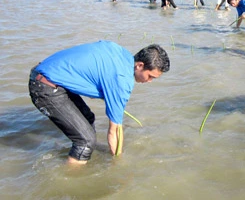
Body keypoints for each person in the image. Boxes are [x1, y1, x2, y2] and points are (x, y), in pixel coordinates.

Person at [28, 41, 170, 164]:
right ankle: (70, 181)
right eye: (150, 76)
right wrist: (118, 163)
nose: (149, 81)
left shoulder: (121, 53)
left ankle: (81, 157)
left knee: (88, 118)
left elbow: (95, 67)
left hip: (48, 73)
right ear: (140, 65)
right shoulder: (122, 80)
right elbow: (114, 131)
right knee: (85, 142)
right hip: (44, 86)